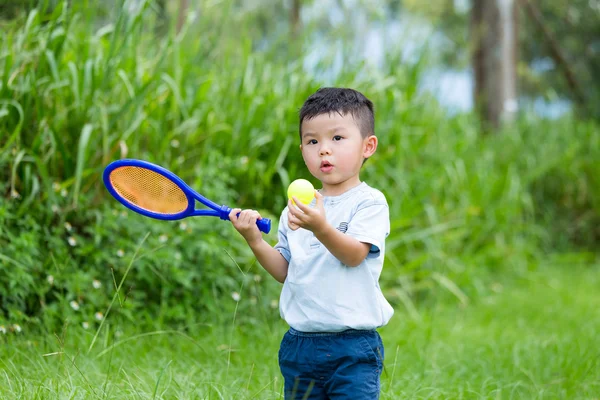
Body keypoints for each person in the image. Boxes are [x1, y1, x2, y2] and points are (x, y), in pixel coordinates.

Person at [229, 87, 394, 399]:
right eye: (312, 141)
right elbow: (284, 270)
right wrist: (254, 240)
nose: (324, 150)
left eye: (337, 138)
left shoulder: (369, 202)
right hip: (300, 346)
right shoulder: (296, 208)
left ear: (367, 146)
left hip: (352, 346)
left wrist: (320, 227)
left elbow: (355, 255)